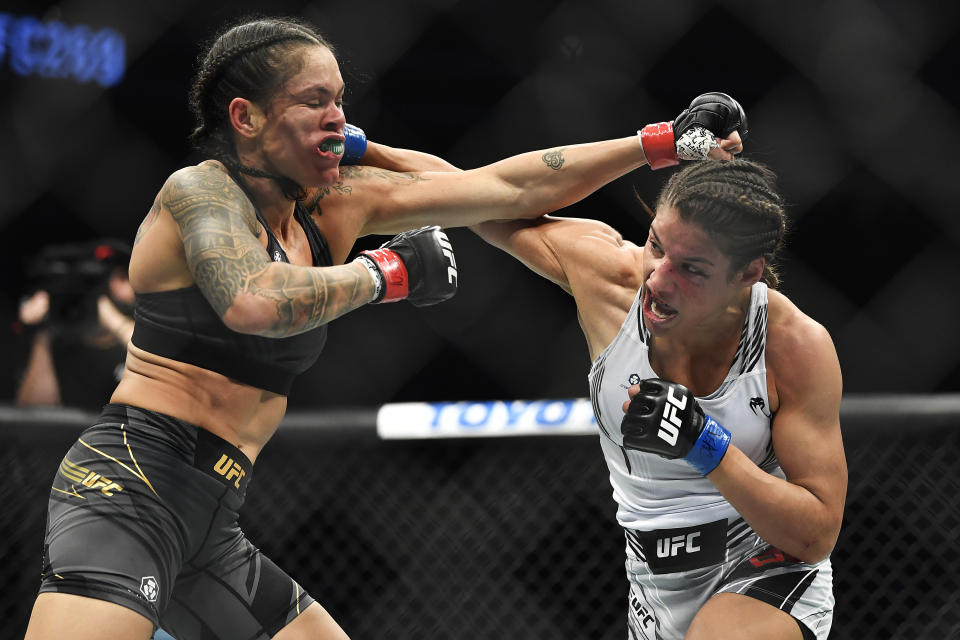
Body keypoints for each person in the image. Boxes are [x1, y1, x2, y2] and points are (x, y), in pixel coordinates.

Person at [23, 15, 744, 640]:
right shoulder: (199, 193)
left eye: (341, 99)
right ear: (245, 118)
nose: (337, 116)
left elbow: (503, 188)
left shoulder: (335, 208)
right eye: (313, 102)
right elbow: (254, 301)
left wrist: (660, 143)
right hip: (131, 481)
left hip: (213, 512)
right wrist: (386, 276)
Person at [470, 157, 847, 639]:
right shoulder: (609, 279)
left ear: (747, 273)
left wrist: (703, 443)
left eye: (692, 269)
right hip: (652, 585)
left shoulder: (791, 345)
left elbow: (815, 535)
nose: (659, 279)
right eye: (656, 246)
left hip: (767, 566)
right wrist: (359, 151)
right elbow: (474, 196)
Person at [16, 240, 135, 409]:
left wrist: (111, 317)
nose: (113, 287)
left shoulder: (141, 334)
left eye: (125, 278)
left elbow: (158, 360)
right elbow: (34, 418)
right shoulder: (57, 341)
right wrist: (42, 332)